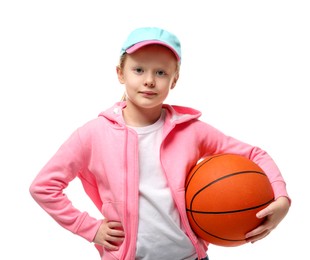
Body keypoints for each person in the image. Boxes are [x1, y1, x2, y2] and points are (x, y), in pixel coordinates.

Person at [29, 27, 291, 260]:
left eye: (161, 72)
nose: (149, 80)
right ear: (121, 74)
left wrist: (281, 198)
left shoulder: (191, 131)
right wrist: (89, 228)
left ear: (174, 80)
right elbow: (44, 186)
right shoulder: (94, 134)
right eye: (139, 69)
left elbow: (255, 154)